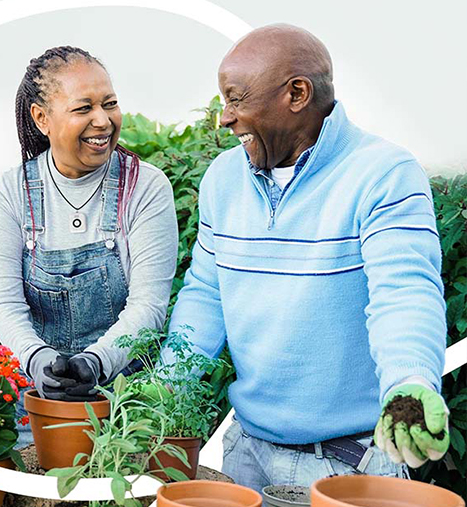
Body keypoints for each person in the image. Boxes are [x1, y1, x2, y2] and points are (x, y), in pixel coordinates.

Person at [164, 24, 450, 491]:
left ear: (297, 93)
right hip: (246, 453)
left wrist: (409, 384)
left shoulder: (382, 174)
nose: (225, 118)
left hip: (348, 466)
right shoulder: (223, 178)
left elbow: (405, 293)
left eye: (236, 99)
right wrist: (168, 385)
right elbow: (207, 292)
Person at [0, 47, 178, 441]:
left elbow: (149, 305)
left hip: (124, 403)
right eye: (83, 108)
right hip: (36, 402)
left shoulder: (146, 187)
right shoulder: (9, 193)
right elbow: (3, 304)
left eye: (110, 104)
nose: (102, 121)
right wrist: (37, 359)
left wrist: (96, 362)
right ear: (42, 119)